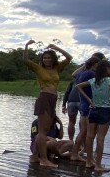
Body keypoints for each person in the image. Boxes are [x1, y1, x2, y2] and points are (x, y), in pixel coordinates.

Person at [23, 40, 73, 168]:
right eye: (44, 58)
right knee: (43, 132)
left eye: (49, 57)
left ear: (53, 59)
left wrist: (56, 47)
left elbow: (69, 57)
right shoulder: (39, 68)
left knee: (44, 130)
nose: (46, 60)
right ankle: (44, 159)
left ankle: (35, 156)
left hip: (53, 100)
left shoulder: (57, 68)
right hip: (44, 98)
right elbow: (26, 60)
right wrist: (26, 46)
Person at [76, 60, 110, 172]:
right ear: (106, 69)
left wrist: (89, 99)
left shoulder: (93, 80)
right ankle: (98, 165)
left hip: (93, 109)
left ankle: (89, 161)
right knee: (100, 138)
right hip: (104, 110)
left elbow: (78, 87)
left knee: (90, 136)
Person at [70, 56, 101, 162]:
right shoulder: (92, 74)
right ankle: (89, 157)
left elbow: (74, 74)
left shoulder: (82, 73)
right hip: (89, 104)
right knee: (89, 133)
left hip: (83, 103)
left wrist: (85, 65)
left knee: (83, 131)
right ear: (95, 65)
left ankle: (75, 153)